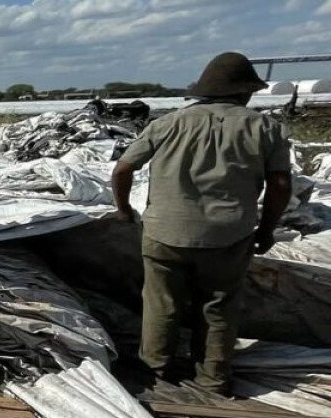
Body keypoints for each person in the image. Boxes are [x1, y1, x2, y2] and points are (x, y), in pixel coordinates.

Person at [110, 51, 292, 395]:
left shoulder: (167, 124)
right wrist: (267, 229)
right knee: (218, 307)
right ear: (245, 91)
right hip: (229, 235)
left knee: (162, 304)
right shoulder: (265, 128)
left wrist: (123, 210)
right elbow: (280, 184)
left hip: (165, 233)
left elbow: (122, 169)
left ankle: (156, 374)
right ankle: (213, 380)